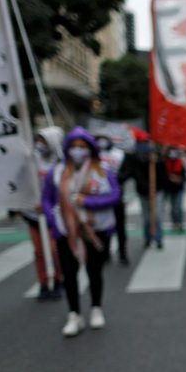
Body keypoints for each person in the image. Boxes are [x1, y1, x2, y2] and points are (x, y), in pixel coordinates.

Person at [42, 127, 121, 337]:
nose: (77, 150)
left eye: (82, 146)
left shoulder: (102, 170)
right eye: (74, 146)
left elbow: (115, 196)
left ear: (90, 149)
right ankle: (74, 314)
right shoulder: (57, 172)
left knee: (94, 271)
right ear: (67, 149)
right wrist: (54, 220)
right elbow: (47, 199)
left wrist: (88, 202)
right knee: (69, 273)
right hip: (67, 232)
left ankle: (96, 308)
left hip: (95, 230)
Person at [19, 127, 65, 300]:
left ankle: (59, 279)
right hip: (34, 214)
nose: (40, 144)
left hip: (54, 213)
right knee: (39, 251)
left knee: (55, 249)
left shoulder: (61, 163)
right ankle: (44, 283)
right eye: (38, 140)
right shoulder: (32, 160)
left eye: (44, 140)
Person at [96, 134, 131, 265]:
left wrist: (115, 180)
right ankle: (105, 253)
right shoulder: (93, 156)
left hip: (117, 197)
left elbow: (127, 172)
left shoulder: (120, 154)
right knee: (104, 226)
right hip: (101, 198)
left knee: (120, 226)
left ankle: (123, 253)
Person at [129, 140, 166, 249]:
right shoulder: (138, 160)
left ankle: (158, 238)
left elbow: (163, 177)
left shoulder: (159, 161)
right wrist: (147, 189)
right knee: (146, 218)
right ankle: (148, 238)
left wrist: (157, 162)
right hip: (143, 192)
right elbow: (137, 176)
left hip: (157, 192)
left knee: (157, 216)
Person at [162, 147, 186, 232]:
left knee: (178, 207)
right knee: (173, 207)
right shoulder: (165, 163)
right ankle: (174, 223)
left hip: (179, 188)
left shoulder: (180, 162)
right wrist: (170, 178)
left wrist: (178, 179)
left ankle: (180, 223)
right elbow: (163, 176)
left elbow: (184, 176)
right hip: (169, 188)